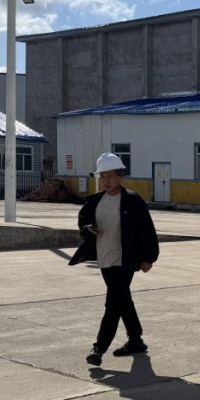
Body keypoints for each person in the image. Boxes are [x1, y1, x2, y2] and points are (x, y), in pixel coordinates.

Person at [69, 152, 160, 366]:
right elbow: (83, 222)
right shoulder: (95, 201)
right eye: (102, 176)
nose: (106, 181)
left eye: (110, 176)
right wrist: (87, 229)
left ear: (120, 176)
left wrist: (149, 257)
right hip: (104, 257)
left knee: (113, 302)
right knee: (122, 300)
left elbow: (147, 230)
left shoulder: (133, 200)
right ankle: (136, 340)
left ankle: (99, 348)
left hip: (126, 259)